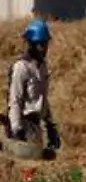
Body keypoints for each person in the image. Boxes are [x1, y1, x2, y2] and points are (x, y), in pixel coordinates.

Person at [6, 20, 58, 159]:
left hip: (36, 127)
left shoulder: (42, 68)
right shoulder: (21, 68)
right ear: (32, 45)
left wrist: (50, 125)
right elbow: (15, 101)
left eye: (45, 44)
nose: (44, 49)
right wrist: (16, 130)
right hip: (23, 125)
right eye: (40, 45)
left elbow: (42, 99)